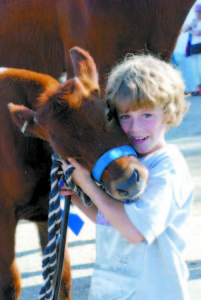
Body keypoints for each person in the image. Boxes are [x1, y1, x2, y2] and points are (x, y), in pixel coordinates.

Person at [59, 54, 194, 300]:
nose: (135, 128)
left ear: (168, 111)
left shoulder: (167, 166)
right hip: (112, 290)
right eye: (125, 117)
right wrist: (77, 199)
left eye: (147, 115)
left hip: (154, 293)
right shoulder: (129, 164)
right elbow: (109, 219)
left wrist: (89, 186)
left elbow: (134, 231)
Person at [183, 3, 201, 95]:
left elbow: (198, 33)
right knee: (195, 69)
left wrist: (189, 30)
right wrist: (192, 24)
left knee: (200, 68)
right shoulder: (193, 21)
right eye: (197, 12)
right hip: (193, 47)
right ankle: (198, 88)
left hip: (200, 46)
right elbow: (184, 29)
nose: (198, 14)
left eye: (199, 12)